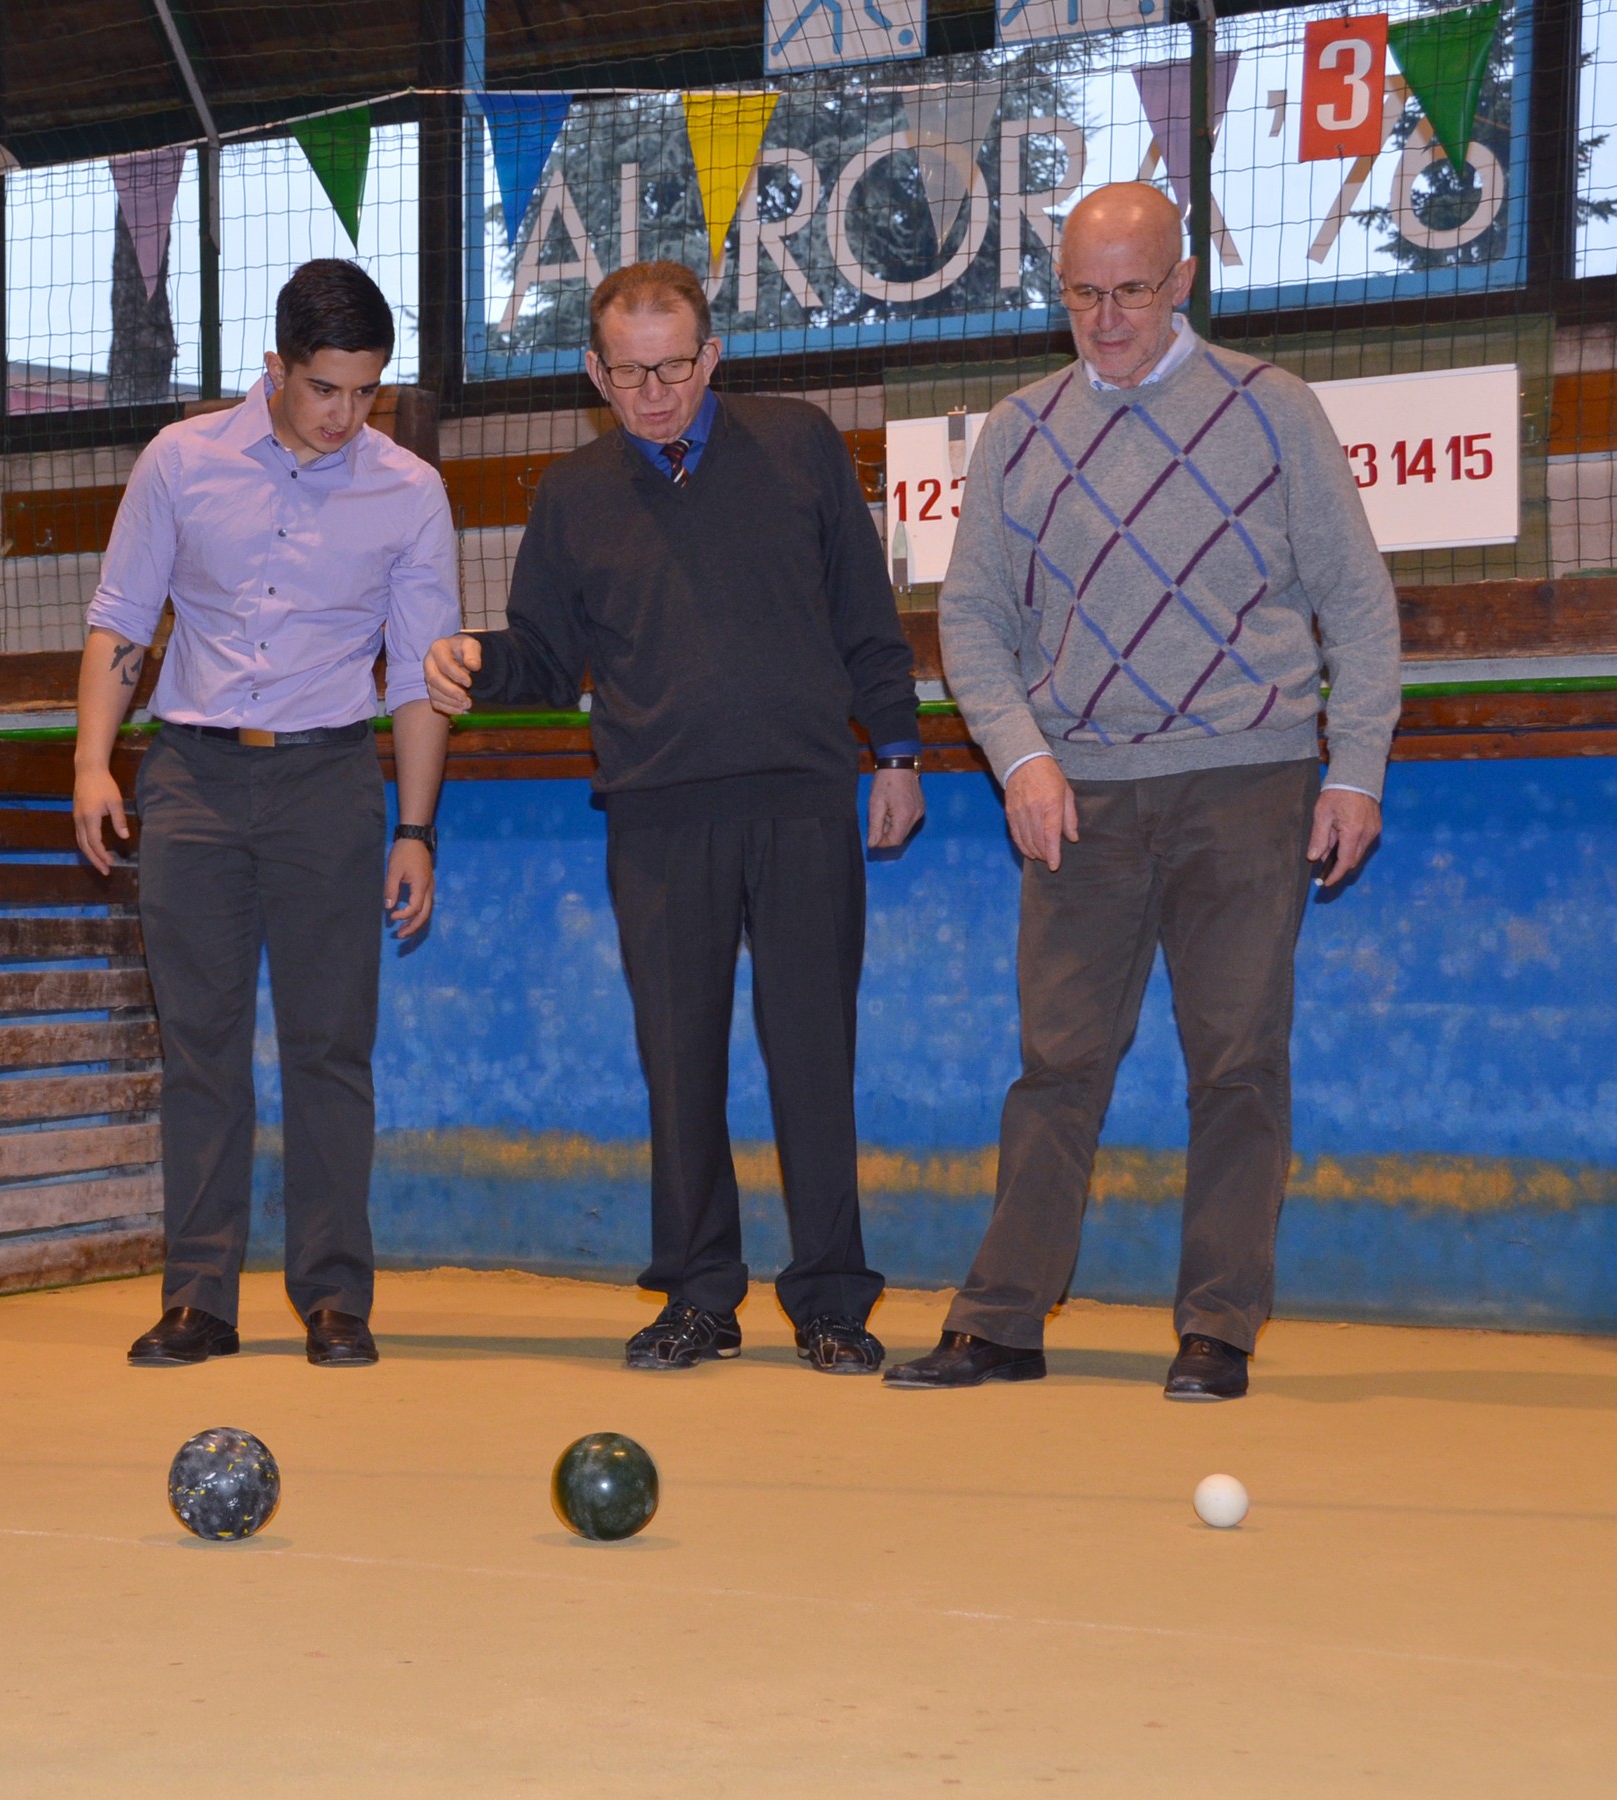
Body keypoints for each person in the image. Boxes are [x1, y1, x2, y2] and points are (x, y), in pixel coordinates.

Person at [882, 182, 1401, 1402]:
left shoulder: (1273, 413)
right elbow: (971, 620)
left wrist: (1356, 767)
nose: (1103, 318)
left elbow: (1356, 604)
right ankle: (1000, 1321)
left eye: (1128, 290)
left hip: (1247, 780)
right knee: (1054, 1065)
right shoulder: (1017, 429)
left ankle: (1216, 1326)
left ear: (1179, 285)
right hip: (1079, 794)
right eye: (1078, 292)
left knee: (1233, 1063)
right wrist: (1019, 757)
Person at [424, 260, 922, 1375]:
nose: (653, 392)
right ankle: (698, 1295)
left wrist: (894, 751)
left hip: (801, 800)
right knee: (677, 1061)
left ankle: (832, 1300)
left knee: (811, 1058)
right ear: (594, 373)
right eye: (627, 373)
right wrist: (478, 660)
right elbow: (548, 656)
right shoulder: (572, 494)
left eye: (672, 367)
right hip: (654, 813)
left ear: (710, 357)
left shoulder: (798, 446)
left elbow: (864, 618)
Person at [73, 259, 457, 1369]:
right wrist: (92, 764)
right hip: (188, 777)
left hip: (329, 782)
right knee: (198, 1048)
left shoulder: (408, 492)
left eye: (367, 393)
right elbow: (121, 622)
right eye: (326, 388)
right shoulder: (179, 464)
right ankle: (198, 1297)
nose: (347, 416)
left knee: (331, 1046)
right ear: (275, 367)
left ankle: (335, 1299)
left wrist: (415, 828)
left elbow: (420, 677)